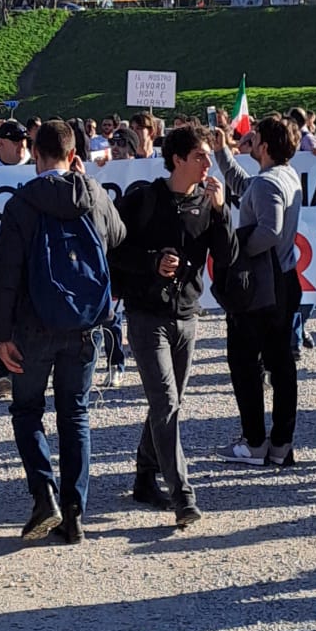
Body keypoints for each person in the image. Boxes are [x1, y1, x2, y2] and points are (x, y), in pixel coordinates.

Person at [0, 118, 125, 543]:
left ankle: (43, 491)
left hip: (32, 326)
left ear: (35, 151)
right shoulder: (94, 194)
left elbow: (6, 275)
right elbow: (118, 236)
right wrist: (89, 187)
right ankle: (74, 511)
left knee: (27, 411)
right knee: (75, 414)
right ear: (73, 154)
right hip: (83, 325)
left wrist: (1, 333)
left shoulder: (21, 203)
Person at [111, 124, 233, 528]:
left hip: (188, 315)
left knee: (170, 403)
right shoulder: (144, 199)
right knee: (165, 405)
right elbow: (114, 251)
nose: (207, 163)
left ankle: (145, 476)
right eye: (200, 155)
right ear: (177, 159)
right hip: (147, 316)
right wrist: (153, 261)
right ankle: (183, 495)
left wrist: (221, 213)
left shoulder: (207, 200)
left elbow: (226, 257)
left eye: (208, 155)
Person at [214, 116, 303, 468]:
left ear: (264, 146)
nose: (250, 140)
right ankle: (281, 443)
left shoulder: (267, 184)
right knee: (281, 362)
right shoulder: (282, 175)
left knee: (244, 361)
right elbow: (244, 186)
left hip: (265, 283)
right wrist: (222, 150)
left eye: (255, 137)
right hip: (284, 277)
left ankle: (253, 442)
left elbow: (269, 229)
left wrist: (234, 251)